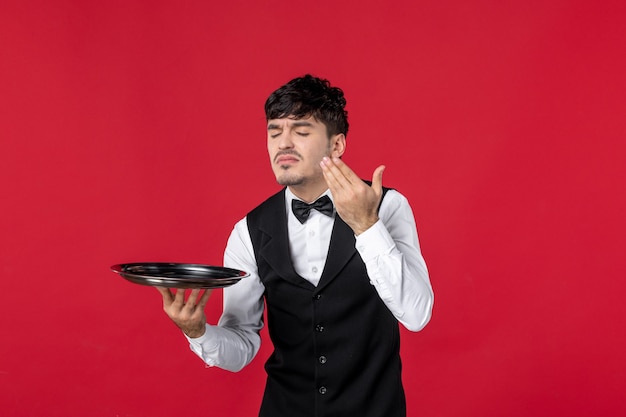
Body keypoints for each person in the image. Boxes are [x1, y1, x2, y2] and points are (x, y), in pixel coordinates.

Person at [156, 74, 434, 417]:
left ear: (336, 146)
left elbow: (417, 314)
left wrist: (366, 225)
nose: (283, 143)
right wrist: (198, 332)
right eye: (274, 132)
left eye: (301, 132)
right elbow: (242, 344)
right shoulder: (249, 230)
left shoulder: (387, 206)